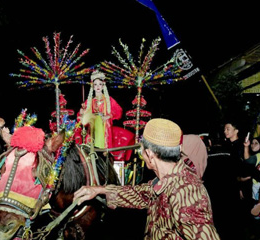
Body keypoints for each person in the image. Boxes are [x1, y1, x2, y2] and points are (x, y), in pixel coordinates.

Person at [73, 118, 220, 239]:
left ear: (149, 155)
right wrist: (99, 189)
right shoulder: (165, 180)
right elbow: (142, 194)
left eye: (140, 150)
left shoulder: (186, 190)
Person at [78, 70, 123, 149]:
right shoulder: (90, 101)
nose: (98, 86)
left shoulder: (108, 100)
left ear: (103, 86)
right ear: (93, 87)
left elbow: (118, 110)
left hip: (104, 125)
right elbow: (81, 117)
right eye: (95, 84)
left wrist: (108, 116)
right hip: (93, 126)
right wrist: (82, 113)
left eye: (100, 84)